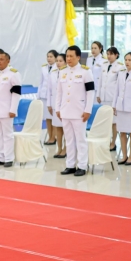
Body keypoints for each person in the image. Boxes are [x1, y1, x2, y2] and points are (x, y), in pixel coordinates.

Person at [55, 46, 95, 176]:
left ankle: (82, 166)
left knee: (80, 139)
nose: (68, 59)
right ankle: (70, 165)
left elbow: (90, 92)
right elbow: (59, 92)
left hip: (79, 112)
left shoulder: (85, 72)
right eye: (67, 56)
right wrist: (58, 108)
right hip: (65, 111)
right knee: (69, 139)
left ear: (78, 57)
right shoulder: (62, 71)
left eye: (71, 56)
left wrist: (88, 110)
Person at [0, 52, 22, 168]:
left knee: (7, 135)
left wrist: (13, 109)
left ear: (8, 61)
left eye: (2, 59)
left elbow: (16, 94)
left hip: (7, 110)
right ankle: (0, 157)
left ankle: (9, 158)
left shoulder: (13, 73)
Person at [111, 52, 131, 165]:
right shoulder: (121, 73)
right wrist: (114, 105)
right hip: (120, 107)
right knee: (122, 132)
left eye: (130, 60)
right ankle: (124, 156)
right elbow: (116, 90)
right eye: (126, 60)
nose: (127, 62)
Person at [98, 46, 125, 151]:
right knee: (105, 121)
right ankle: (106, 141)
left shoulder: (120, 67)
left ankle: (113, 142)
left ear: (116, 55)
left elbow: (121, 85)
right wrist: (98, 94)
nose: (109, 56)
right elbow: (100, 81)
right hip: (104, 97)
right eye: (108, 54)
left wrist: (118, 98)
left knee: (114, 122)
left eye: (111, 54)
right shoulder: (104, 65)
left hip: (113, 97)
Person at [48, 52, 67, 159]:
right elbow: (49, 90)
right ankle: (59, 148)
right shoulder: (53, 72)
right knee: (58, 127)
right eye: (57, 61)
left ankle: (66, 148)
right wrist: (49, 104)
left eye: (60, 61)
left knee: (66, 128)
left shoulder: (68, 72)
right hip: (55, 104)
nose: (58, 63)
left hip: (65, 105)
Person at [38, 50, 59, 145]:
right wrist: (38, 95)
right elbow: (41, 82)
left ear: (55, 58)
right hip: (44, 95)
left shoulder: (58, 68)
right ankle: (50, 136)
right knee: (47, 118)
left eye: (51, 57)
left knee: (53, 117)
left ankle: (54, 137)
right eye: (48, 56)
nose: (49, 58)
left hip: (53, 96)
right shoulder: (43, 67)